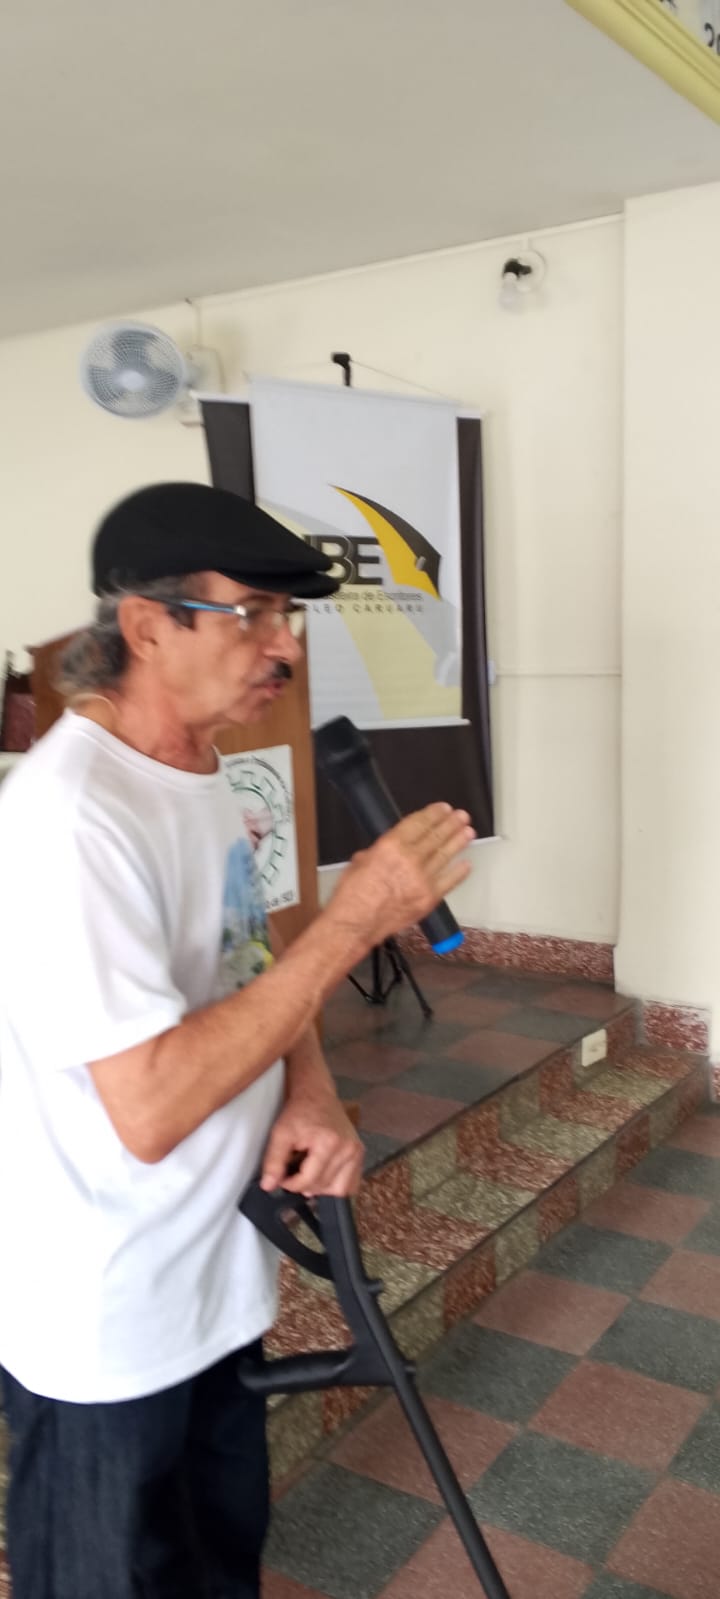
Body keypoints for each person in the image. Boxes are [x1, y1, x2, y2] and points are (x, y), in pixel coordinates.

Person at [0, 481, 474, 1599]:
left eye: (288, 617)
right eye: (253, 613)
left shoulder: (201, 769)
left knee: (220, 1570)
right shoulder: (71, 818)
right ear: (147, 625)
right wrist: (355, 919)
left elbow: (245, 959)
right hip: (108, 1320)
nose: (285, 646)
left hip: (217, 1275)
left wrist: (309, 1088)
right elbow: (151, 1108)